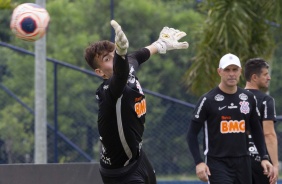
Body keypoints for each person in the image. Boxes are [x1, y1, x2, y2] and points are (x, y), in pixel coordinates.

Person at [84, 20, 188, 184]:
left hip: (137, 158)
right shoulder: (109, 91)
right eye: (107, 59)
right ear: (100, 72)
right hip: (119, 172)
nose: (114, 59)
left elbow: (139, 55)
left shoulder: (127, 66)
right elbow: (120, 75)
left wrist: (161, 44)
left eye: (114, 54)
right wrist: (121, 53)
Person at [186, 53, 274, 184]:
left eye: (235, 69)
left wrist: (264, 157)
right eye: (227, 70)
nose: (231, 74)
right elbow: (191, 134)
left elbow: (256, 129)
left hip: (243, 162)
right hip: (217, 163)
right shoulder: (208, 100)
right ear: (219, 72)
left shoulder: (248, 98)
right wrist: (199, 162)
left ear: (240, 72)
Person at [244, 58, 279, 184]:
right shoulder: (266, 100)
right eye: (265, 74)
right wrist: (275, 165)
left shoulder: (235, 98)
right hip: (261, 162)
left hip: (239, 161)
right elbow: (269, 134)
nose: (268, 77)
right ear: (254, 77)